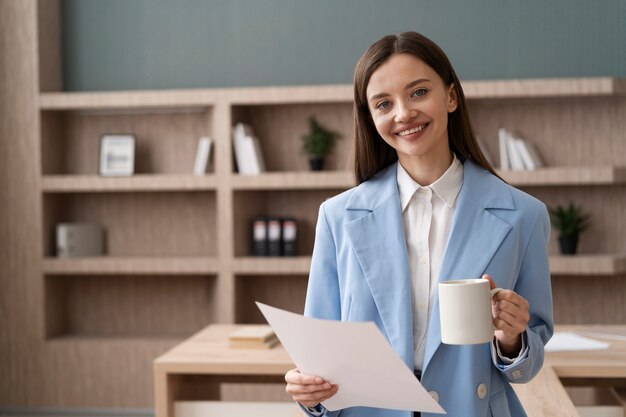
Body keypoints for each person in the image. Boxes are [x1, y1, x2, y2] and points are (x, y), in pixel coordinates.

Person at [284, 31, 553, 417]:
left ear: (451, 96)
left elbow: (528, 362)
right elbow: (319, 362)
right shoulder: (338, 217)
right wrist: (310, 392)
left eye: (418, 92)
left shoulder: (524, 215)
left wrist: (512, 338)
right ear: (370, 117)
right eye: (383, 103)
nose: (403, 114)